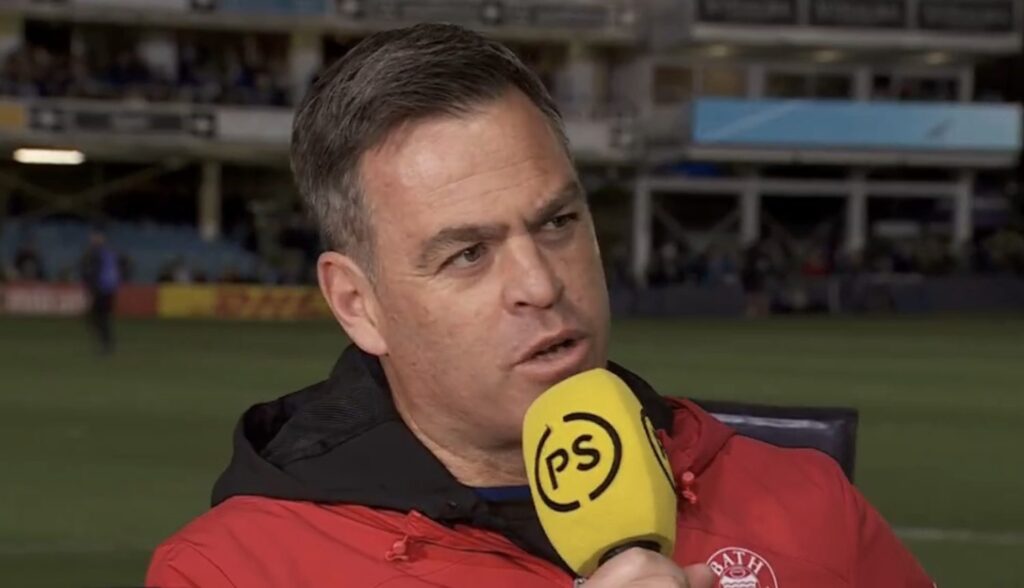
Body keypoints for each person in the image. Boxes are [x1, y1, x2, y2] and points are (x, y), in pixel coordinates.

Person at [147, 24, 932, 588]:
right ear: (359, 304)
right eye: (468, 253)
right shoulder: (232, 570)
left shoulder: (803, 503)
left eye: (557, 222)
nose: (540, 282)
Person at [80, 228, 119, 354]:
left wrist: (91, 287)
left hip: (102, 290)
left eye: (95, 237)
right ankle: (106, 342)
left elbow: (92, 272)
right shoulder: (106, 253)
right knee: (98, 317)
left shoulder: (98, 254)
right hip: (106, 290)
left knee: (98, 317)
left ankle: (106, 343)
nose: (93, 239)